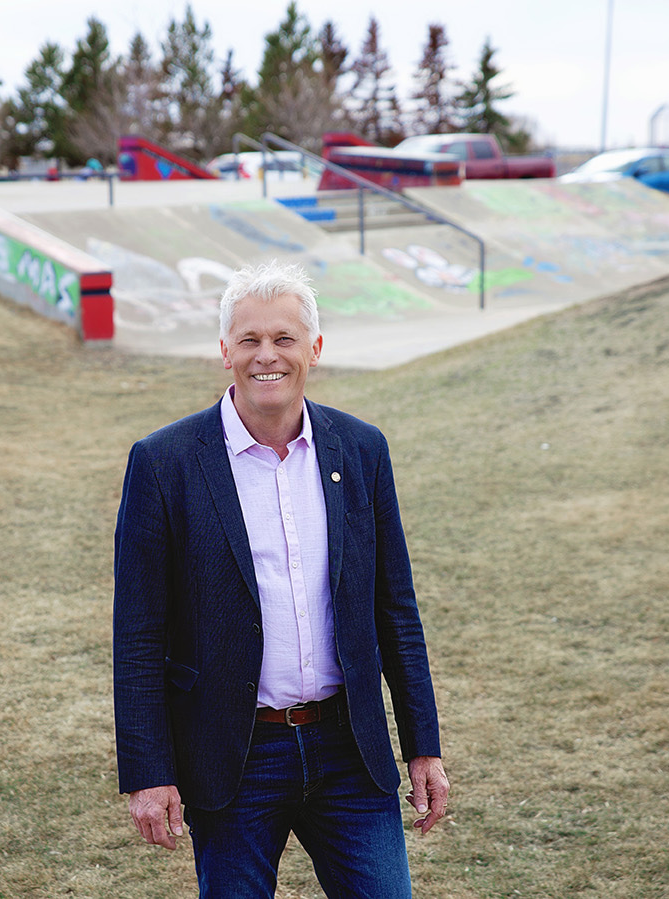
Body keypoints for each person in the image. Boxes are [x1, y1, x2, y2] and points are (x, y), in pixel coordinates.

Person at [113, 260, 449, 898]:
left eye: (285, 339)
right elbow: (137, 633)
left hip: (349, 751)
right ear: (224, 352)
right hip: (234, 760)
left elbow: (395, 610)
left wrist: (422, 745)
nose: (267, 355)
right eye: (249, 340)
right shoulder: (163, 462)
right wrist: (149, 773)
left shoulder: (362, 449)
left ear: (314, 350)